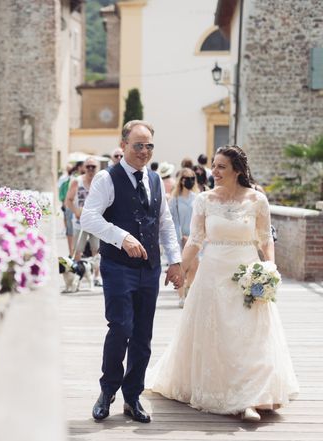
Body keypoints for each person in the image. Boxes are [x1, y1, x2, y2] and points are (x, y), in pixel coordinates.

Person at [148, 145, 299, 422]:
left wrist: (269, 266)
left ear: (237, 171)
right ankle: (223, 391)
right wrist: (180, 268)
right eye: (214, 166)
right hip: (213, 275)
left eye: (221, 167)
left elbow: (265, 238)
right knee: (218, 336)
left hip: (247, 275)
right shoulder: (204, 200)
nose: (213, 172)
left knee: (250, 337)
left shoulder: (257, 200)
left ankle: (252, 399)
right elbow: (195, 240)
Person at [81, 120, 184, 423]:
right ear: (123, 144)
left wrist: (175, 261)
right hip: (117, 266)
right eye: (138, 145)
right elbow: (88, 218)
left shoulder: (154, 180)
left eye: (149, 145)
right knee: (121, 327)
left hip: (149, 269)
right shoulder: (106, 178)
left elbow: (164, 223)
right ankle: (108, 389)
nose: (144, 151)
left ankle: (132, 396)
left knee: (142, 335)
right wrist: (121, 237)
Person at [66, 156, 102, 285]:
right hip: (79, 222)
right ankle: (78, 276)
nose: (91, 169)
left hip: (96, 222)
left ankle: (97, 277)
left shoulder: (101, 181)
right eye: (88, 166)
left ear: (97, 168)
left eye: (93, 166)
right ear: (83, 168)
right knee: (78, 251)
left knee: (96, 250)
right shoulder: (77, 181)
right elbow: (68, 200)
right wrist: (76, 211)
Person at [168, 168, 199, 308]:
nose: (189, 180)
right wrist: (179, 237)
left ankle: (188, 287)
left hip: (194, 237)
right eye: (186, 178)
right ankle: (181, 296)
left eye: (192, 177)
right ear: (181, 180)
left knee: (194, 266)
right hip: (179, 237)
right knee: (181, 268)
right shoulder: (174, 200)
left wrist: (194, 236)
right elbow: (172, 221)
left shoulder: (198, 198)